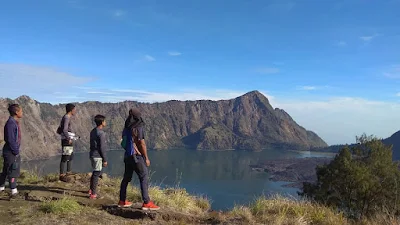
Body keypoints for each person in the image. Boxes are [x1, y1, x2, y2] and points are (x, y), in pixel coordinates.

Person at [118, 108, 160, 210]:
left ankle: (122, 200)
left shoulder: (126, 126)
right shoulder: (138, 127)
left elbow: (123, 141)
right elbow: (142, 143)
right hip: (136, 157)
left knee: (126, 178)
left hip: (127, 156)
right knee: (144, 176)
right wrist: (146, 158)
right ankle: (146, 202)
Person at [0, 104, 23, 198]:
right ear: (16, 112)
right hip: (11, 151)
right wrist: (16, 151)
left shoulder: (13, 122)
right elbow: (10, 139)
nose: (22, 113)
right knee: (13, 170)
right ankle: (14, 192)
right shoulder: (11, 124)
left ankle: (1, 187)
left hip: (9, 151)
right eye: (21, 111)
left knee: (6, 169)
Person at [89, 114, 108, 199]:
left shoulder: (93, 131)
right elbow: (102, 147)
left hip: (92, 154)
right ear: (102, 122)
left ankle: (91, 190)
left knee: (95, 172)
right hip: (97, 156)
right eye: (104, 121)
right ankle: (93, 193)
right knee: (96, 173)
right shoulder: (101, 133)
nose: (105, 122)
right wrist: (104, 159)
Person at [58, 103, 77, 181]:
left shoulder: (67, 117)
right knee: (65, 156)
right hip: (66, 140)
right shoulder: (66, 118)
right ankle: (62, 174)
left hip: (68, 138)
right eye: (74, 109)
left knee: (70, 155)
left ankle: (68, 171)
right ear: (71, 110)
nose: (75, 111)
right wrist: (68, 138)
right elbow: (65, 130)